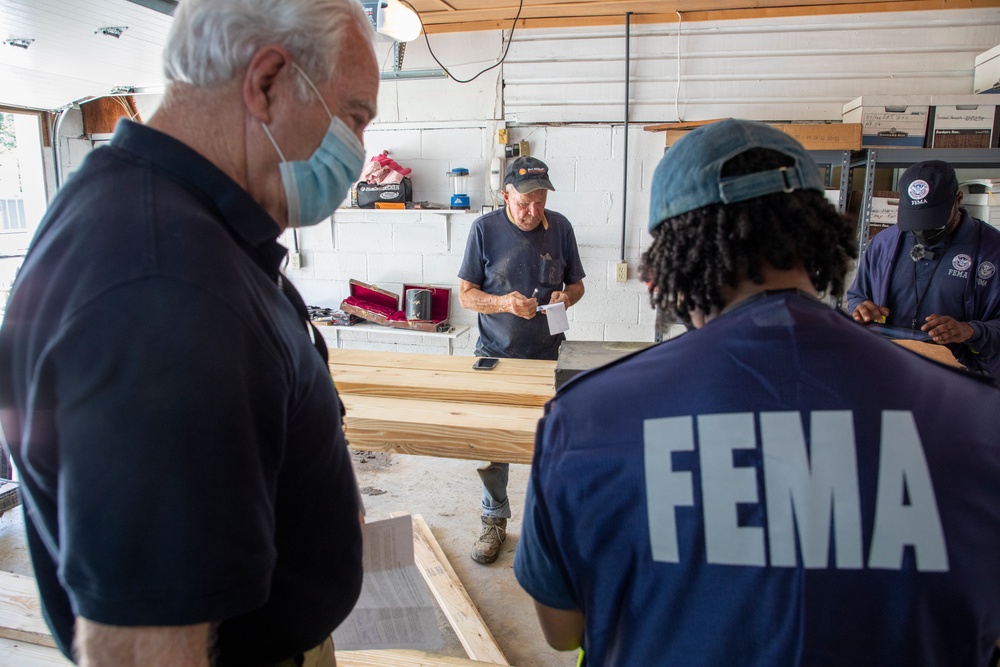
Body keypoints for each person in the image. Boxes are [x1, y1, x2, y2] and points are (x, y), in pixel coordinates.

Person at [514, 119, 1000, 666]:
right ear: (818, 229)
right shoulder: (976, 417)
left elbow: (561, 630)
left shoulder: (587, 419)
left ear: (675, 251)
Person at [0, 1, 379, 665]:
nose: (360, 152)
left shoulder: (179, 223)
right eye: (353, 117)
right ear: (266, 84)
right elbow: (141, 651)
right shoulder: (163, 290)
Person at [458, 156, 586, 565]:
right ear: (505, 195)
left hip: (550, 355)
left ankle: (548, 526)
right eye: (524, 203)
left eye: (540, 202)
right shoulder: (484, 230)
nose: (533, 211)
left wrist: (567, 297)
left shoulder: (560, 227)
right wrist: (502, 303)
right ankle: (493, 519)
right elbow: (466, 295)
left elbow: (577, 285)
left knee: (552, 445)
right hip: (496, 356)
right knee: (492, 445)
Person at [847, 160, 1000, 377]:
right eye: (916, 222)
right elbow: (857, 295)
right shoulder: (884, 243)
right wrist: (860, 309)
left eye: (933, 221)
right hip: (890, 369)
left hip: (960, 381)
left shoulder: (993, 251)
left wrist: (969, 330)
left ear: (958, 200)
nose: (923, 231)